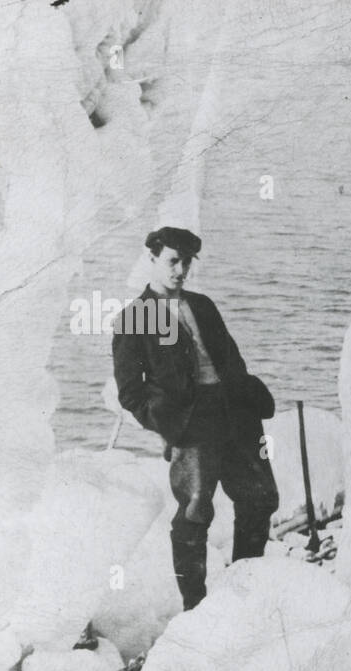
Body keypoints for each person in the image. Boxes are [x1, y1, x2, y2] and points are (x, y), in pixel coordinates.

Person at [112, 227, 279, 609]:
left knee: (261, 499)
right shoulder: (136, 317)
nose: (180, 270)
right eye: (173, 260)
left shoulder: (203, 305)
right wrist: (168, 424)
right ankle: (196, 606)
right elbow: (130, 393)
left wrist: (246, 395)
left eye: (187, 262)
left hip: (236, 415)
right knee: (195, 511)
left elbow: (232, 359)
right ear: (152, 259)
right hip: (191, 425)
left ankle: (245, 590)